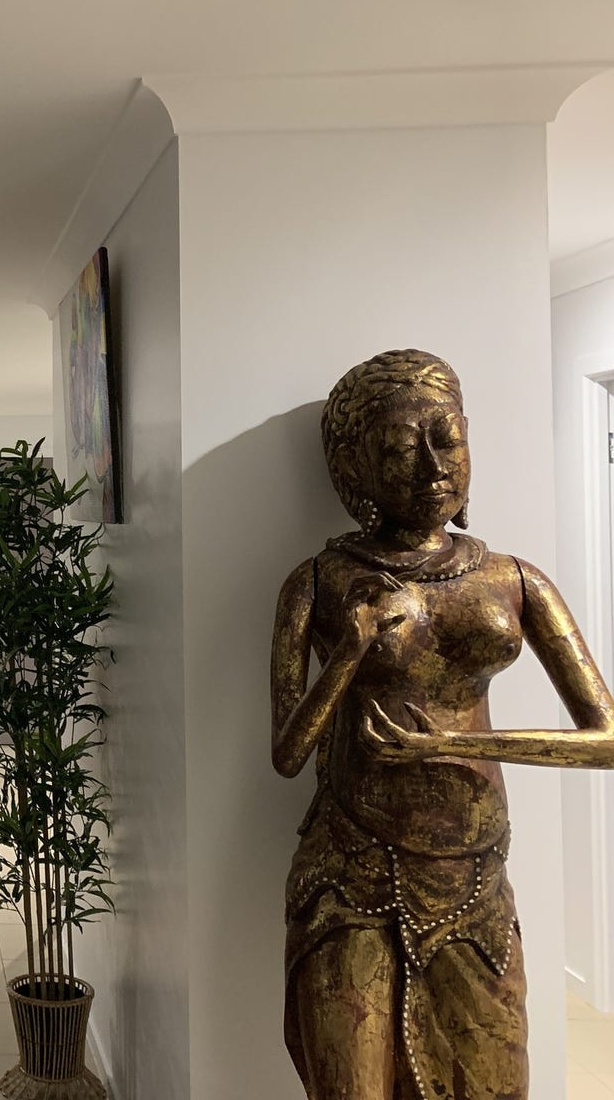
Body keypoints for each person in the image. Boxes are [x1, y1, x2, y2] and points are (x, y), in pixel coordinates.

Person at [270, 348, 614, 1099]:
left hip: (475, 872)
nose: (432, 467)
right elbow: (287, 753)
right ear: (356, 469)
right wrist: (350, 650)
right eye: (400, 449)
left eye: (448, 439)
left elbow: (608, 739)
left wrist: (453, 744)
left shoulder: (515, 579)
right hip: (351, 869)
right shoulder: (318, 582)